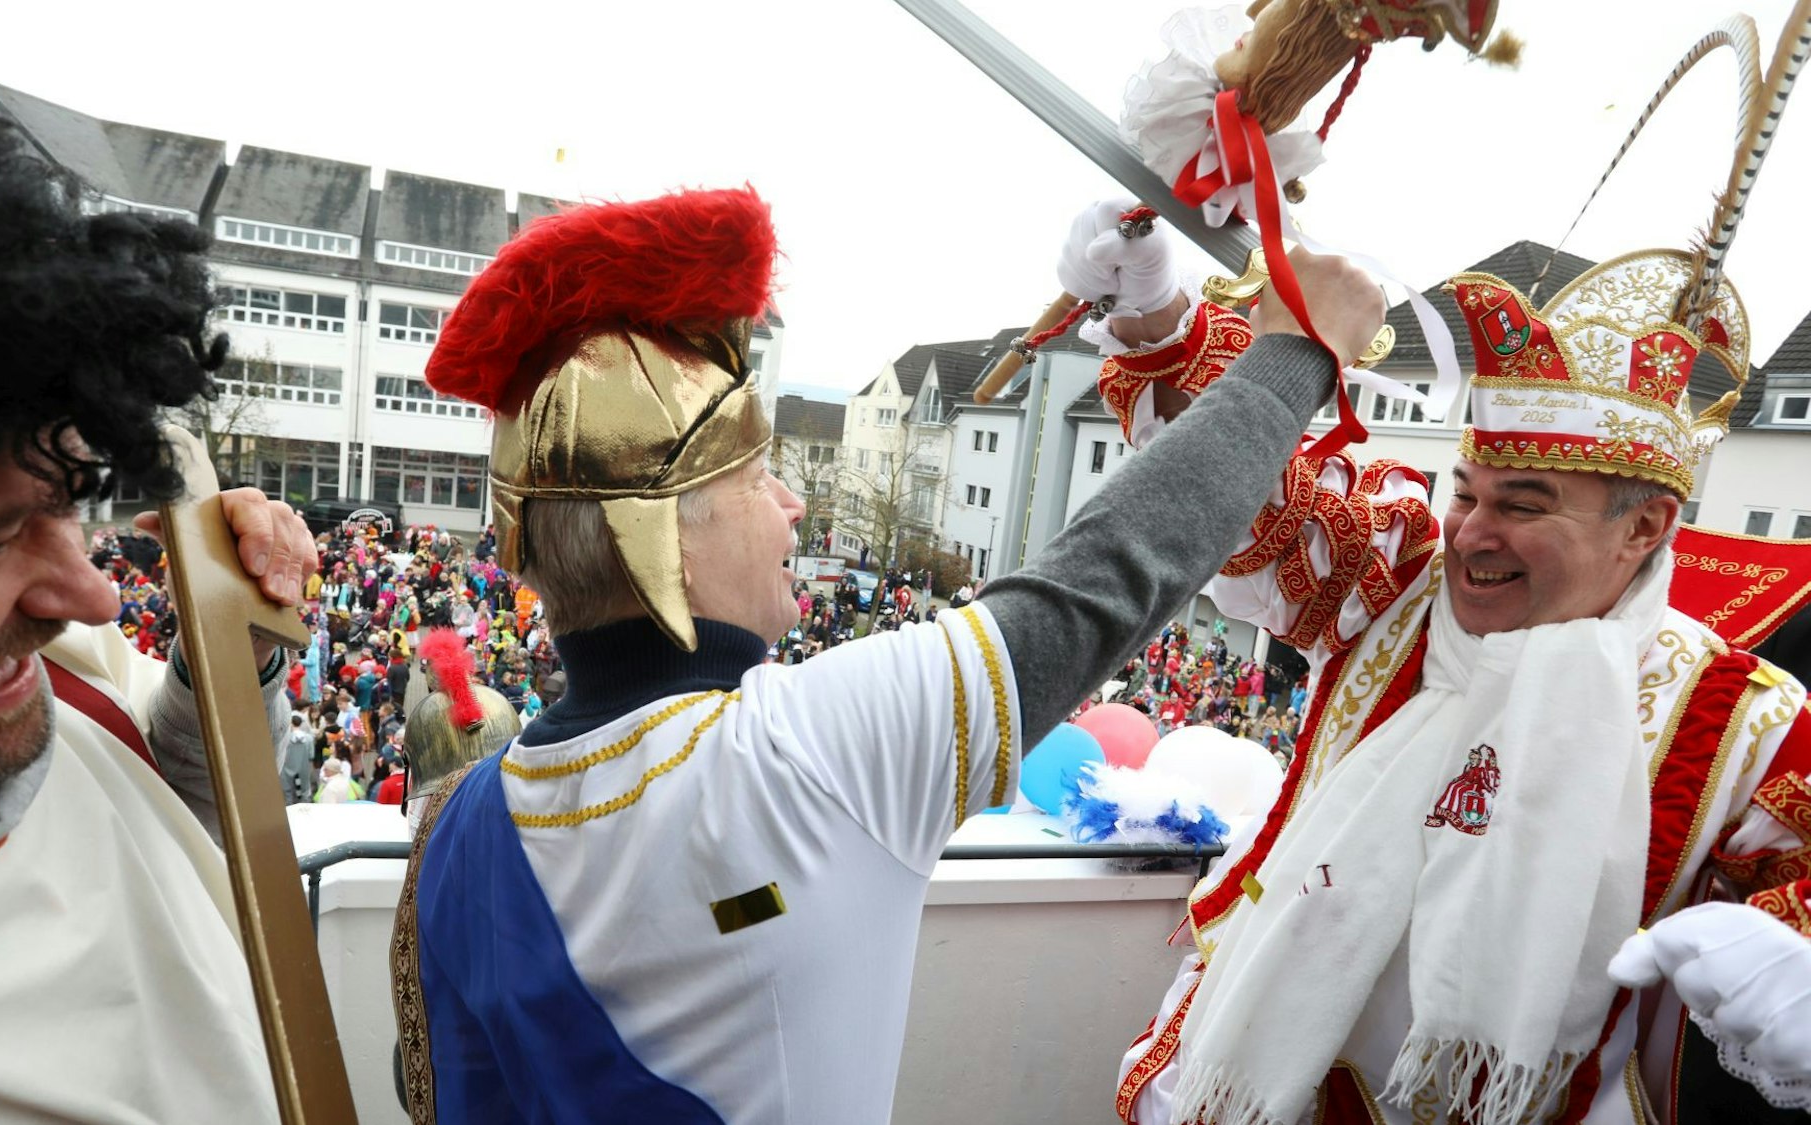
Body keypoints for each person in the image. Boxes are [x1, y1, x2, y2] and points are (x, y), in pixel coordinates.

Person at [390, 187, 1385, 1121]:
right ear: (668, 536)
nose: (793, 506)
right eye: (757, 478)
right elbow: (1115, 569)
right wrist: (1295, 353)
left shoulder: (451, 828)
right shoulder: (808, 750)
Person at [1116, 100, 1811, 1124]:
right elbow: (1248, 503)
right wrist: (1155, 322)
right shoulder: (1399, 583)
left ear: (1643, 527)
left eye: (1523, 506)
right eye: (1465, 493)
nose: (1472, 533)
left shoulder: (1742, 723)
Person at [0, 103, 317, 1122]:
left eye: (65, 507)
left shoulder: (36, 673)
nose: (91, 594)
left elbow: (181, 800)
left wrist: (231, 650)